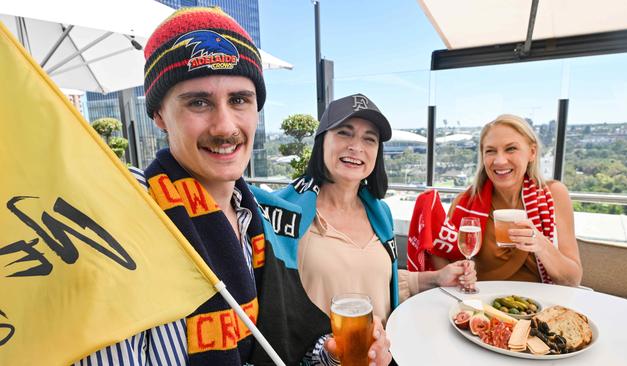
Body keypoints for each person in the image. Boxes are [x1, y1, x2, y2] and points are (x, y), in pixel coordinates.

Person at [75, 7, 389, 366]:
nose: (225, 126)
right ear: (159, 115)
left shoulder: (255, 217)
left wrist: (332, 356)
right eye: (198, 102)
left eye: (239, 100)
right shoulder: (131, 216)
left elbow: (283, 342)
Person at [254, 94, 476, 336]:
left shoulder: (380, 213)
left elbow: (376, 281)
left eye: (369, 139)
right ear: (321, 141)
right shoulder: (281, 215)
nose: (356, 146)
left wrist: (436, 278)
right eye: (344, 133)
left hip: (383, 355)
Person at [409, 114, 582, 286]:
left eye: (511, 149)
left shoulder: (554, 194)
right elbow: (446, 270)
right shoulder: (465, 202)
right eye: (490, 151)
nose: (499, 161)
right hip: (483, 306)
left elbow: (572, 280)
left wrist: (541, 245)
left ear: (532, 152)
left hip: (541, 308)